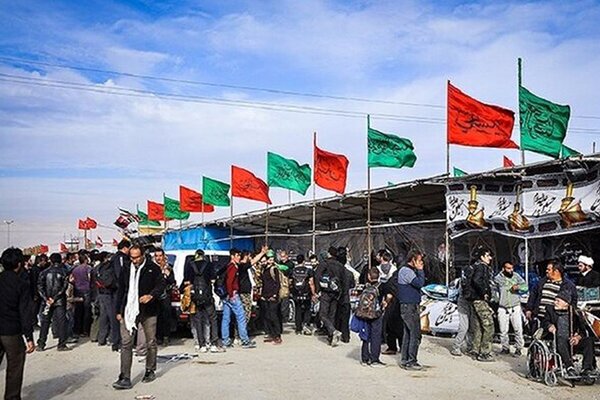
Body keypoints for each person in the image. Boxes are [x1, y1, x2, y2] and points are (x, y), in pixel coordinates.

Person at [113, 245, 166, 390]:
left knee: (150, 342)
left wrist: (151, 295)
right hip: (129, 310)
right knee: (126, 343)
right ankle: (124, 376)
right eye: (132, 257)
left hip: (148, 310)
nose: (134, 260)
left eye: (136, 257)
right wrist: (118, 310)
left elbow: (161, 285)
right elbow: (121, 290)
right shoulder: (126, 269)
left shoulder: (152, 268)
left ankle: (150, 370)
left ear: (143, 255)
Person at [0, 248, 35, 400]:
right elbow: (25, 312)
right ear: (19, 264)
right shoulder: (21, 283)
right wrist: (29, 337)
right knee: (14, 366)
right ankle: (12, 397)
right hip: (11, 331)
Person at [543, 290, 597, 377]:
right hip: (557, 340)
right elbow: (545, 322)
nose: (555, 302)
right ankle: (569, 366)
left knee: (588, 341)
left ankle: (587, 368)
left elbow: (583, 331)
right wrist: (549, 326)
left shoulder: (574, 313)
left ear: (566, 304)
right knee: (560, 339)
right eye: (555, 300)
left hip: (571, 341)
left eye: (558, 301)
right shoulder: (550, 310)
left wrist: (577, 337)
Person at [181, 249, 224, 353]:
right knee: (212, 318)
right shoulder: (208, 265)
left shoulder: (190, 265)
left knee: (198, 319)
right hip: (207, 295)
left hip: (195, 296)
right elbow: (214, 279)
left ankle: (202, 345)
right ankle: (213, 343)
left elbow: (186, 281)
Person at [221, 248, 256, 349]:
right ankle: (244, 340)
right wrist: (231, 294)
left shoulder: (228, 266)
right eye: (237, 255)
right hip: (233, 295)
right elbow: (229, 282)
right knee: (241, 317)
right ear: (232, 256)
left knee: (226, 318)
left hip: (226, 296)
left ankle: (226, 340)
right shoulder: (233, 267)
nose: (239, 257)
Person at [465, 246, 496, 362]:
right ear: (482, 257)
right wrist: (484, 293)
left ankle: (475, 349)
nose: (490, 258)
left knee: (478, 326)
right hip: (480, 300)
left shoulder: (475, 266)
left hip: (474, 299)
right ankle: (485, 352)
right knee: (489, 326)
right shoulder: (482, 267)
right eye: (488, 256)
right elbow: (477, 280)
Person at [397, 249, 425, 370]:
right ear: (413, 260)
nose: (421, 263)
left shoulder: (407, 270)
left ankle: (405, 359)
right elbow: (419, 283)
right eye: (419, 260)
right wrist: (420, 271)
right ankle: (411, 360)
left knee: (408, 334)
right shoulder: (406, 271)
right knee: (415, 334)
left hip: (410, 305)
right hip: (409, 306)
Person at [37, 253, 70, 352]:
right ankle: (61, 344)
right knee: (61, 322)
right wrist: (55, 298)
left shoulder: (44, 272)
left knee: (45, 322)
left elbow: (39, 287)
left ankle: (41, 344)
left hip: (46, 301)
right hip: (59, 301)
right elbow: (64, 287)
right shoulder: (64, 272)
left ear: (50, 260)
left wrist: (46, 298)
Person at [355, 266, 388, 368]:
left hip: (364, 314)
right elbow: (386, 298)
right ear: (378, 276)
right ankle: (374, 359)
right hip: (376, 315)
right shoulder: (382, 286)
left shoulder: (365, 287)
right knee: (376, 336)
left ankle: (365, 358)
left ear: (368, 276)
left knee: (365, 335)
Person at [494, 262, 527, 357]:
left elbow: (525, 287)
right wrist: (496, 300)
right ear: (503, 268)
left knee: (518, 329)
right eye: (508, 268)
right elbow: (493, 290)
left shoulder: (516, 276)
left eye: (512, 268)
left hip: (515, 306)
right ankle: (505, 347)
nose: (510, 270)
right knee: (503, 330)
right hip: (502, 307)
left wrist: (518, 287)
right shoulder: (497, 279)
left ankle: (519, 348)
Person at [314, 246, 344, 346]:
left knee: (323, 314)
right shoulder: (340, 265)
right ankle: (331, 337)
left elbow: (317, 276)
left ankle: (333, 331)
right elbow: (343, 279)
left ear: (328, 254)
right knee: (332, 315)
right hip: (336, 293)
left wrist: (317, 290)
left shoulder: (324, 263)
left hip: (325, 291)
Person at [95, 251, 120, 351]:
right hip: (110, 294)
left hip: (101, 293)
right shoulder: (109, 267)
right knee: (112, 318)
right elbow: (112, 281)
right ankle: (114, 339)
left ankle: (101, 338)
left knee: (103, 317)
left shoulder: (97, 268)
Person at [451, 262, 475, 357]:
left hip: (471, 304)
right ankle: (456, 347)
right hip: (463, 304)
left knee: (471, 327)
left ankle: (469, 346)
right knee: (464, 327)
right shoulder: (463, 282)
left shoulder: (471, 281)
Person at [290, 254, 316, 335]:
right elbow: (311, 283)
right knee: (307, 309)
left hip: (296, 293)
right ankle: (306, 325)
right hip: (306, 293)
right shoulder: (309, 271)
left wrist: (291, 291)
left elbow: (290, 282)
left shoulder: (292, 271)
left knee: (298, 309)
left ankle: (298, 329)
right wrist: (313, 293)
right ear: (304, 261)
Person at [261, 250, 283, 344]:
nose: (268, 261)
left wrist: (274, 294)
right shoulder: (264, 269)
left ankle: (277, 335)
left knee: (274, 316)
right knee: (267, 316)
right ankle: (271, 334)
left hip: (273, 296)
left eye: (271, 259)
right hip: (265, 296)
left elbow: (278, 283)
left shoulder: (274, 269)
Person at [154, 248, 175, 346]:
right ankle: (158, 337)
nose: (158, 258)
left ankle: (166, 336)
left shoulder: (169, 267)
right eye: (156, 256)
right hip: (155, 296)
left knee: (166, 316)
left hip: (165, 295)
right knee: (157, 317)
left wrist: (167, 273)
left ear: (163, 256)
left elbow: (172, 281)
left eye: (160, 256)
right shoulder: (153, 268)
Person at [335, 247, 356, 343]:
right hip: (346, 298)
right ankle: (346, 336)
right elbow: (352, 285)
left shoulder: (335, 273)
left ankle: (336, 334)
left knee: (336, 317)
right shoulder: (349, 273)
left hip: (336, 298)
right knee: (345, 318)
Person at [71, 253, 92, 337]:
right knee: (87, 311)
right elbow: (90, 278)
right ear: (86, 260)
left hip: (77, 291)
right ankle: (85, 330)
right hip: (86, 290)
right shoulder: (88, 268)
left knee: (78, 311)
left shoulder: (75, 269)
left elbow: (72, 279)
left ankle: (77, 330)